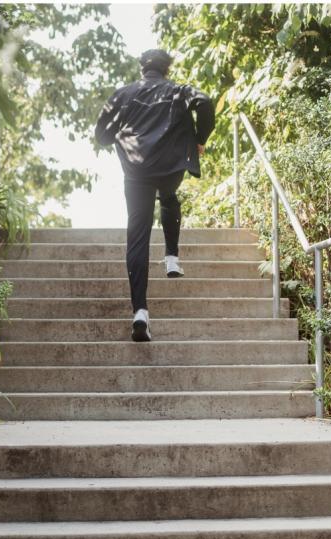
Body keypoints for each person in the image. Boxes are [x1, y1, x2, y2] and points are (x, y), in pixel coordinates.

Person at [94, 49, 215, 342]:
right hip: (170, 166)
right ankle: (172, 256)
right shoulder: (179, 90)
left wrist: (115, 137)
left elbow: (101, 134)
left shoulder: (124, 93)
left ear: (141, 69)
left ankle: (140, 312)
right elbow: (206, 102)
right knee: (169, 194)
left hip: (136, 172)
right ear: (167, 68)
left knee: (137, 235)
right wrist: (199, 138)